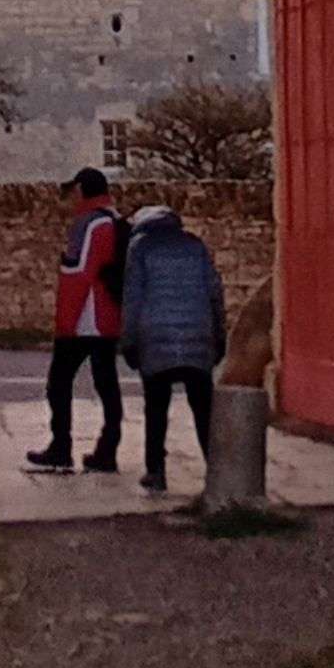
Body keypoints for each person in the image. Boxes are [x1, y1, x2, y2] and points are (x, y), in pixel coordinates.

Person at [119, 197, 226, 496]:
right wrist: (219, 334)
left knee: (156, 407)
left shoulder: (140, 247)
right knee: (203, 407)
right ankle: (217, 469)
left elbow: (133, 299)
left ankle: (156, 471)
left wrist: (129, 341)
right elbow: (215, 292)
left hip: (155, 339)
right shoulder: (195, 245)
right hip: (197, 335)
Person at [25, 165, 126, 474]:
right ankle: (108, 448)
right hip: (109, 314)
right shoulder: (116, 220)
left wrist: (65, 322)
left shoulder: (89, 223)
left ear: (81, 190)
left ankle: (61, 446)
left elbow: (78, 273)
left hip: (86, 317)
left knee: (59, 382)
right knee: (107, 383)